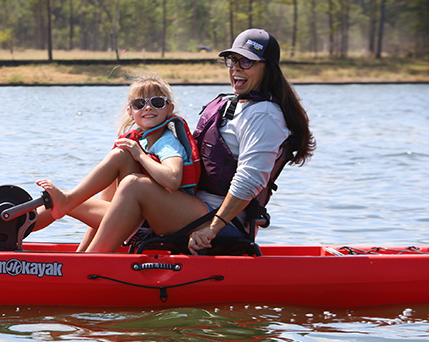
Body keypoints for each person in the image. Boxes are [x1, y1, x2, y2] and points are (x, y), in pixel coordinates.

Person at [81, 28, 315, 254]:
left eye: (247, 62)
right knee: (124, 159)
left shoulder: (264, 115)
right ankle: (81, 250)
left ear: (269, 69)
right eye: (232, 60)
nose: (235, 69)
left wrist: (211, 229)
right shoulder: (233, 104)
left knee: (134, 185)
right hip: (193, 206)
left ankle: (88, 267)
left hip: (220, 220)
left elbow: (250, 180)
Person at [34, 74, 197, 251]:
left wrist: (139, 155)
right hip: (132, 216)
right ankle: (8, 232)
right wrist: (79, 253)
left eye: (157, 102)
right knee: (63, 201)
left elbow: (173, 179)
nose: (148, 107)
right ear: (130, 111)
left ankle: (84, 256)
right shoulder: (138, 143)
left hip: (159, 218)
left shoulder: (167, 142)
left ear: (169, 108)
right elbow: (105, 212)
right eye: (139, 104)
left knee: (123, 154)